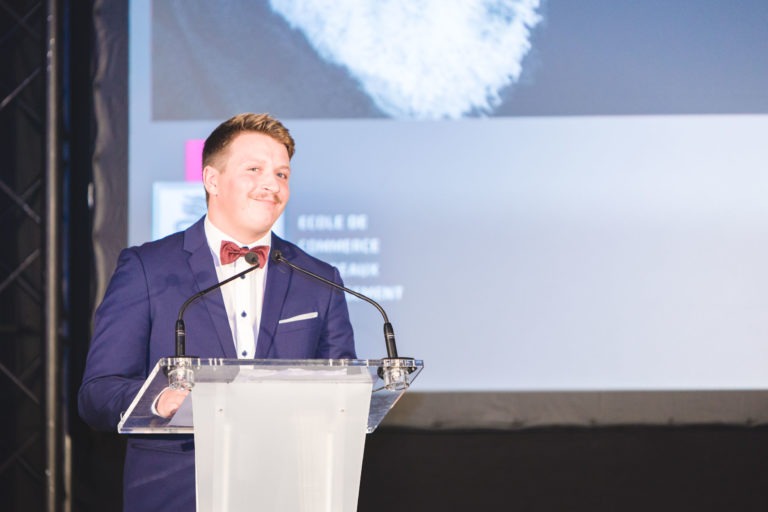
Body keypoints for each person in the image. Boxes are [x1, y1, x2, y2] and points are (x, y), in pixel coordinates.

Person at [78, 113, 356, 512]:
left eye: (282, 174)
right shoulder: (147, 268)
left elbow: (343, 396)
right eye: (254, 170)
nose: (271, 185)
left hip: (289, 494)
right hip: (177, 495)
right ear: (211, 180)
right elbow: (97, 393)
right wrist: (160, 399)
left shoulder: (319, 278)